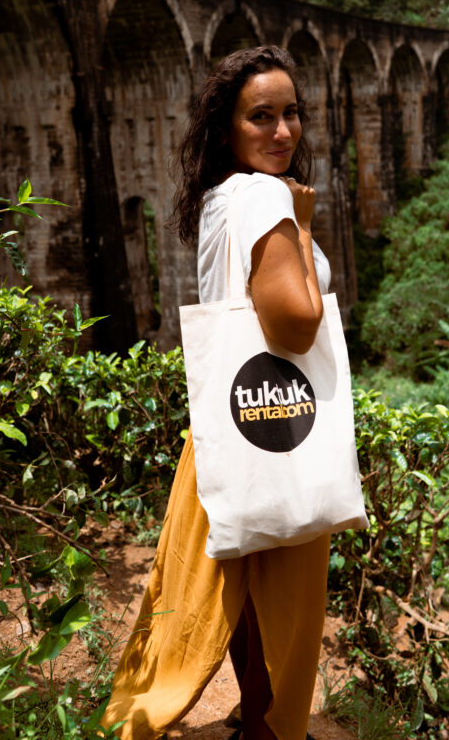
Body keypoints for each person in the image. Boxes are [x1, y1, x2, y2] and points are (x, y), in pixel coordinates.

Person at [101, 45, 331, 740]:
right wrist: (305, 228)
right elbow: (295, 325)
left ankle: (248, 714)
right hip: (278, 422)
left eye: (292, 113)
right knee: (285, 596)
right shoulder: (266, 197)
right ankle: (270, 724)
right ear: (226, 128)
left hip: (223, 424)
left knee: (227, 588)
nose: (283, 131)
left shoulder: (219, 198)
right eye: (261, 116)